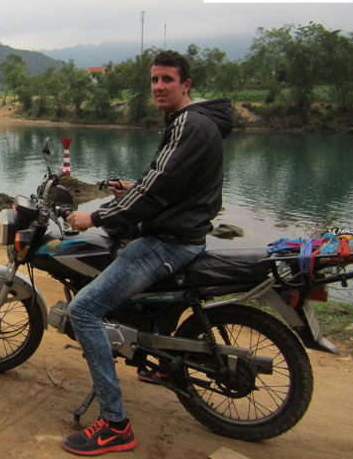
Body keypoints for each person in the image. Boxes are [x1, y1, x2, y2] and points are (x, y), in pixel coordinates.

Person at [62, 50, 233, 456]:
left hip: (168, 241)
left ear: (185, 84)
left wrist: (97, 217)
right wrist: (129, 187)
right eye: (154, 80)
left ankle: (115, 424)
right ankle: (161, 362)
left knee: (83, 311)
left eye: (167, 80)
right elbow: (162, 181)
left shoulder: (190, 124)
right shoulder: (189, 121)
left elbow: (157, 190)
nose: (158, 86)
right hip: (181, 230)